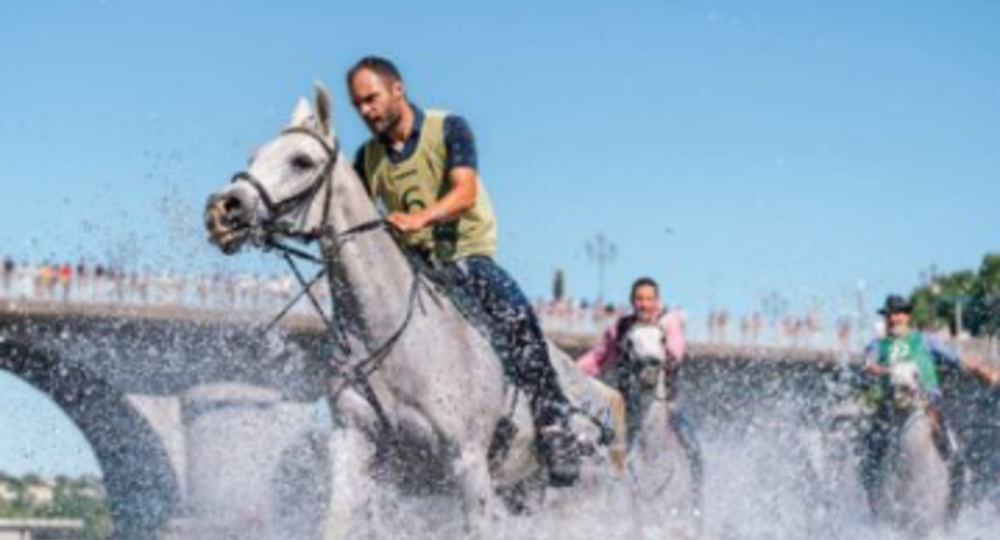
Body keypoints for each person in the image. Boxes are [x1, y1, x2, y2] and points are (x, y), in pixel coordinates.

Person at [346, 56, 580, 486]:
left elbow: (465, 192)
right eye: (357, 105)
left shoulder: (449, 127)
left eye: (371, 99)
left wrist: (420, 219)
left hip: (467, 257)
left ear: (397, 90)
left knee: (513, 311)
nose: (365, 111)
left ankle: (553, 421)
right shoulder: (366, 158)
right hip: (415, 270)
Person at [859, 294, 999, 515]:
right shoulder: (878, 345)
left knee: (956, 458)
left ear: (907, 316)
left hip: (926, 408)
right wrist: (889, 370)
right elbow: (868, 366)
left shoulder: (925, 341)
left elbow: (957, 360)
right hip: (890, 410)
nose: (894, 319)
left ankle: (951, 517)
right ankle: (875, 511)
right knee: (868, 459)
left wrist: (983, 372)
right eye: (890, 315)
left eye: (899, 313)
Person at [577, 278, 688, 443]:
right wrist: (572, 370)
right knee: (604, 436)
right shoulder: (621, 327)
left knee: (687, 437)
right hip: (627, 402)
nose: (644, 304)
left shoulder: (667, 322)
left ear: (657, 301)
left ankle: (698, 467)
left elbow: (677, 348)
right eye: (639, 299)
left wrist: (667, 348)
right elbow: (597, 358)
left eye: (649, 299)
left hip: (666, 400)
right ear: (632, 301)